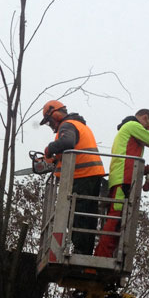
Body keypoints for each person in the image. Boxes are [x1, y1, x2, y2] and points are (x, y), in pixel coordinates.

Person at [40, 99, 105, 255]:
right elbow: (72, 149)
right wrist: (56, 159)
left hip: (82, 176)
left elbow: (67, 142)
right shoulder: (79, 125)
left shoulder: (67, 125)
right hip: (92, 175)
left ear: (55, 114)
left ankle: (81, 251)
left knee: (77, 215)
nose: (51, 125)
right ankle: (85, 251)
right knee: (87, 216)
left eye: (49, 122)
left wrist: (49, 149)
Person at [94, 109, 149, 258]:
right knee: (117, 221)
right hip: (123, 180)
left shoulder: (127, 130)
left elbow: (129, 159)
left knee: (118, 220)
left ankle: (103, 256)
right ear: (145, 118)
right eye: (148, 123)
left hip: (121, 179)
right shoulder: (133, 125)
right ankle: (101, 258)